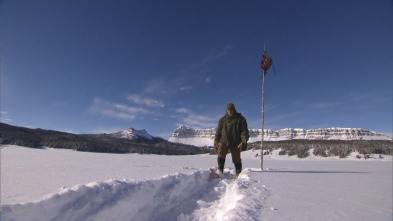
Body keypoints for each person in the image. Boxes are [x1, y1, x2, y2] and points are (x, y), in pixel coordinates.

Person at [214, 103, 249, 175]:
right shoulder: (222, 120)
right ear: (226, 110)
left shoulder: (240, 119)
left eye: (231, 110)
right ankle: (220, 171)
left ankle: (238, 172)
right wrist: (216, 141)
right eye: (228, 110)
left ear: (234, 110)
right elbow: (218, 131)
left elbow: (244, 131)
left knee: (236, 158)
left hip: (235, 142)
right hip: (224, 141)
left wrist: (244, 141)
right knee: (221, 155)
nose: (230, 112)